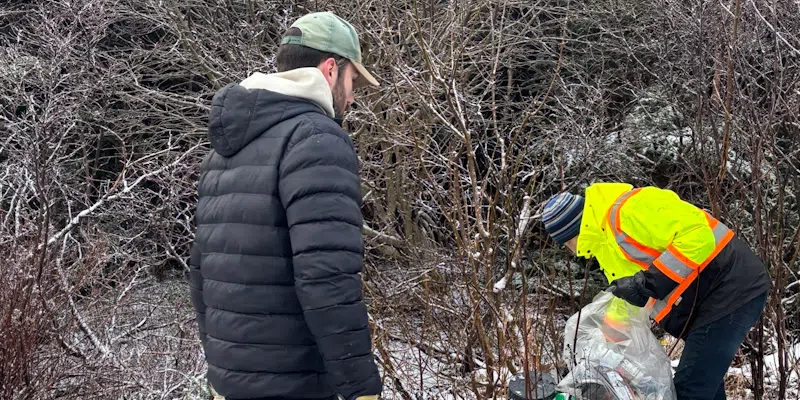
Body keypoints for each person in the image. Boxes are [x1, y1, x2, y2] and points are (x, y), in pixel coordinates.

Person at [187, 11, 382, 400]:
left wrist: (219, 370)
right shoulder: (316, 138)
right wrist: (361, 388)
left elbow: (201, 270)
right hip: (295, 382)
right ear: (331, 69)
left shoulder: (225, 149)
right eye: (353, 80)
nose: (354, 94)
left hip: (230, 383)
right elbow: (326, 277)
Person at [540, 182, 772, 400]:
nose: (572, 251)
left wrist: (649, 283)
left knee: (691, 387)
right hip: (708, 303)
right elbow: (627, 300)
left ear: (575, 230)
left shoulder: (630, 210)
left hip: (730, 286)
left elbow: (697, 237)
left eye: (567, 243)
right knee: (704, 387)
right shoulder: (606, 244)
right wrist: (599, 351)